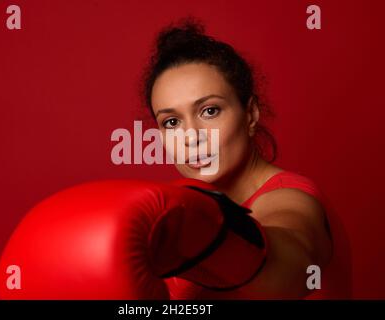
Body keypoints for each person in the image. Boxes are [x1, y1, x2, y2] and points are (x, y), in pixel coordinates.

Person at [139, 17, 348, 299]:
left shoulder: (293, 197)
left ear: (250, 114)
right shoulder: (188, 204)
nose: (191, 136)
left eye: (210, 111)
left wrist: (200, 237)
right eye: (172, 122)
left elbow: (290, 267)